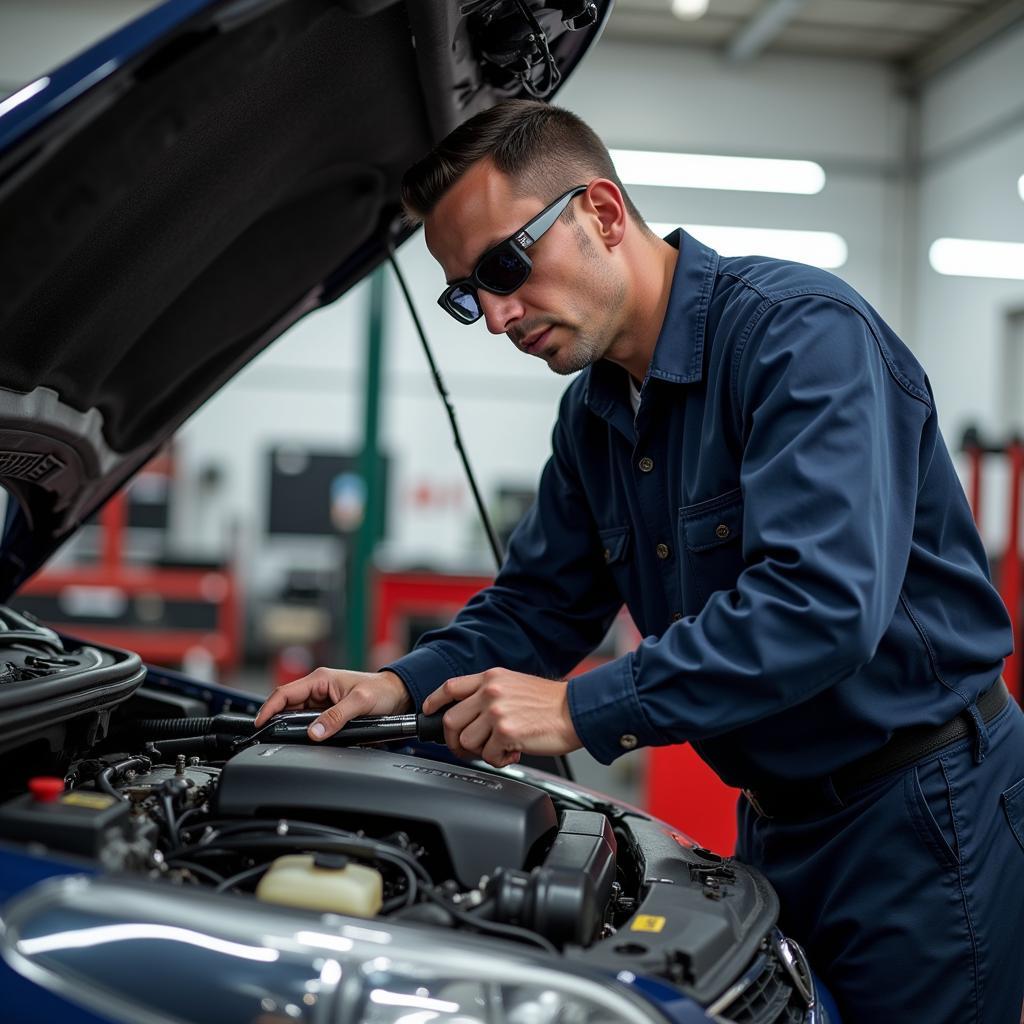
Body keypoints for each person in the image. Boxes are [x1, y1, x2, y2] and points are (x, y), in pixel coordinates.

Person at [255, 99, 1024, 1021]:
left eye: (505, 266)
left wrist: (581, 707)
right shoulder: (594, 417)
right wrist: (397, 685)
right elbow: (537, 606)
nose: (497, 315)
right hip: (781, 818)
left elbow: (820, 605)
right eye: (469, 294)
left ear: (604, 214)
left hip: (923, 812)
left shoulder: (802, 340)